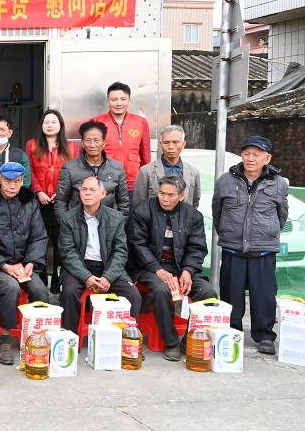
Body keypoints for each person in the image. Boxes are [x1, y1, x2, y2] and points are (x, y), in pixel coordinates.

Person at [212, 136, 289, 355]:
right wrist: (228, 233)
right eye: (246, 153)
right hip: (232, 247)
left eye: (256, 154)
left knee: (263, 294)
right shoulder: (225, 180)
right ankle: (231, 332)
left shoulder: (279, 183)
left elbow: (281, 215)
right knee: (231, 293)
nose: (250, 158)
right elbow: (217, 212)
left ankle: (264, 335)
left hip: (263, 248)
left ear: (267, 158)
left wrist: (266, 233)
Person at [127, 174, 214, 361]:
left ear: (181, 196)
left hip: (181, 265)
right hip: (150, 266)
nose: (165, 198)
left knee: (208, 292)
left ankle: (189, 339)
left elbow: (197, 248)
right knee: (161, 290)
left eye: (171, 195)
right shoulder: (142, 211)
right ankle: (171, 342)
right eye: (162, 193)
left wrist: (188, 270)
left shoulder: (193, 215)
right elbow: (137, 245)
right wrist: (156, 268)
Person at [0, 162, 50, 365]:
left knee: (40, 290)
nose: (12, 186)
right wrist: (3, 265)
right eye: (8, 181)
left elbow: (39, 236)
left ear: (22, 181)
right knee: (10, 286)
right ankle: (5, 341)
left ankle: (37, 337)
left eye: (17, 181)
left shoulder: (29, 202)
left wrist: (31, 262)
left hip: (23, 264)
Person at [58, 176, 141, 335]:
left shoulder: (116, 218)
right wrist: (86, 276)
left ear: (103, 194)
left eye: (92, 190)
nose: (87, 193)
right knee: (69, 292)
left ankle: (129, 339)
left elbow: (121, 251)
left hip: (107, 266)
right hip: (79, 268)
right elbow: (68, 253)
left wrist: (108, 277)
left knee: (132, 294)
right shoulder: (68, 218)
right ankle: (71, 338)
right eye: (84, 189)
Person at [25, 109, 79, 292]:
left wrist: (60, 193)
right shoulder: (32, 145)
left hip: (61, 203)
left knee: (59, 242)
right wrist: (38, 191)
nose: (50, 125)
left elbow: (74, 172)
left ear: (60, 125)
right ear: (41, 125)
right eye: (46, 122)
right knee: (39, 240)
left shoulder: (71, 147)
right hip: (38, 202)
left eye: (54, 122)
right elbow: (29, 170)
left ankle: (56, 278)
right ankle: (40, 276)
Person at [54, 120, 129, 221]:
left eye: (96, 140)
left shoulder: (117, 168)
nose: (92, 145)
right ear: (82, 143)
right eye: (88, 140)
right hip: (78, 223)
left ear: (104, 143)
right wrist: (66, 225)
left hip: (109, 223)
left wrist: (119, 224)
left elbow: (123, 202)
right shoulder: (69, 168)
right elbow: (61, 201)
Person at [93, 81, 151, 193]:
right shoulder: (97, 122)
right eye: (114, 99)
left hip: (133, 183)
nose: (119, 103)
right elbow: (88, 153)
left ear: (129, 101)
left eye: (123, 99)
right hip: (104, 183)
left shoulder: (140, 122)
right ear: (108, 102)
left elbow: (145, 155)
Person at [133, 125, 201, 208]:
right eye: (166, 142)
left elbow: (194, 202)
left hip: (184, 216)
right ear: (161, 144)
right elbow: (139, 204)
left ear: (183, 144)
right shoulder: (146, 171)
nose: (171, 147)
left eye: (175, 142)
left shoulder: (194, 172)